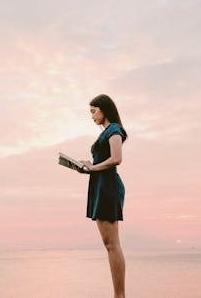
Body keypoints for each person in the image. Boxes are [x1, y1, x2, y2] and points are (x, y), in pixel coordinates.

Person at [79, 94, 128, 298]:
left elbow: (117, 159)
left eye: (93, 111)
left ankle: (120, 295)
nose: (91, 116)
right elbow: (104, 160)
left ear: (103, 109)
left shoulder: (114, 129)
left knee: (112, 244)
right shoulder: (106, 132)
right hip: (101, 186)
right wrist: (88, 166)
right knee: (109, 244)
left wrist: (92, 168)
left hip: (108, 186)